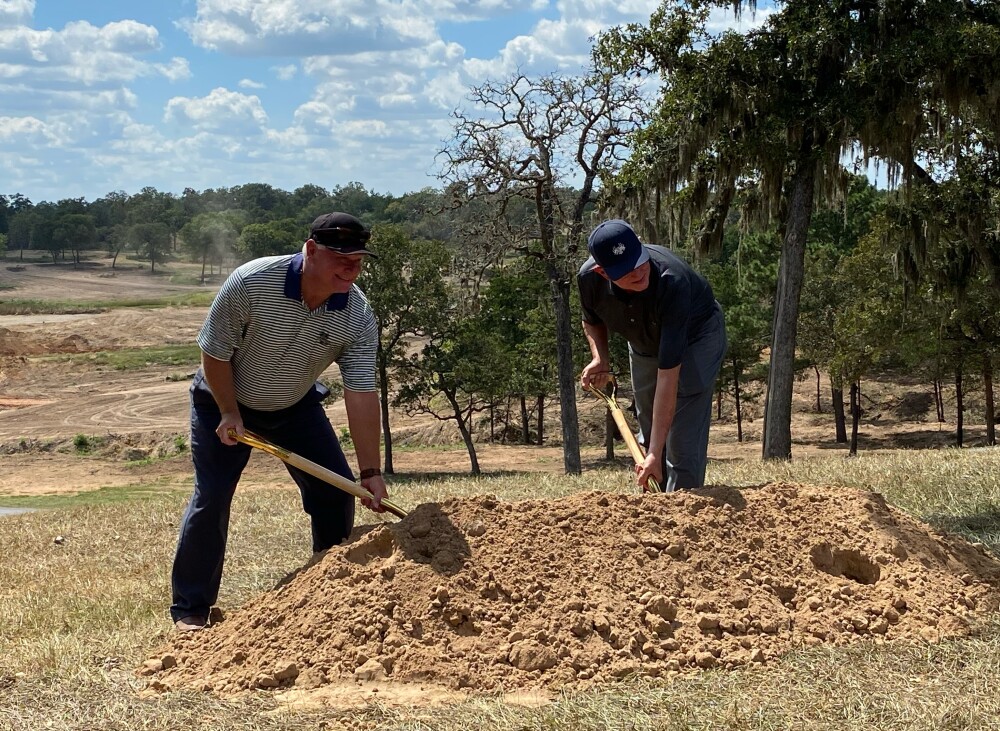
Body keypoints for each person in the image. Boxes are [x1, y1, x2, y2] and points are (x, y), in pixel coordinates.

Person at [170, 212, 390, 632]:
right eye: (340, 258)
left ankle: (329, 588)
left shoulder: (358, 315)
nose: (351, 269)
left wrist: (370, 472)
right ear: (310, 250)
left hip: (294, 407)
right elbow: (214, 352)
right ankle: (191, 610)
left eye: (358, 260)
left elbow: (362, 392)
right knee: (212, 496)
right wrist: (229, 411)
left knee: (335, 492)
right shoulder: (252, 282)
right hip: (223, 401)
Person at [578, 219, 727, 491]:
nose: (638, 273)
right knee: (648, 422)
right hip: (644, 341)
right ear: (602, 272)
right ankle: (655, 499)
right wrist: (600, 357)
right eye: (626, 271)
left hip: (696, 337)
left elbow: (668, 379)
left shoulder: (672, 280)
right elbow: (592, 320)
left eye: (639, 261)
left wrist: (656, 453)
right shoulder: (588, 279)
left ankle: (683, 500)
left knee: (681, 432)